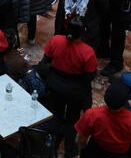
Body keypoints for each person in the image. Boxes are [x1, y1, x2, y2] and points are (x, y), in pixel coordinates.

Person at [42, 17, 98, 158]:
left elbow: (45, 60)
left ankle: (52, 146)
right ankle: (69, 150)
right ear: (83, 32)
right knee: (72, 118)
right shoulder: (88, 52)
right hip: (75, 90)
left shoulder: (56, 40)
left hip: (55, 85)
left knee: (55, 114)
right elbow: (89, 76)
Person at [75, 80, 131, 157]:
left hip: (96, 150)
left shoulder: (91, 114)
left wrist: (84, 151)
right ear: (125, 102)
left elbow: (81, 140)